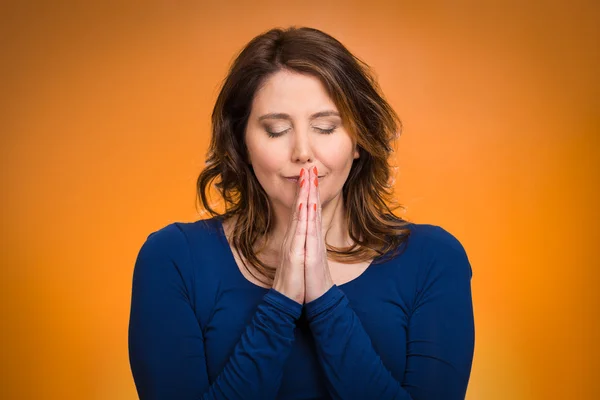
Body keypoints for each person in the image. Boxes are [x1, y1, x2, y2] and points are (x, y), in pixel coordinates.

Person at [128, 26, 475, 400]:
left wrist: (324, 298)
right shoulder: (173, 259)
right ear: (242, 143)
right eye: (277, 130)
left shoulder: (434, 259)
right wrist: (282, 301)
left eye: (326, 127)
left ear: (358, 140)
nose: (303, 152)